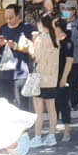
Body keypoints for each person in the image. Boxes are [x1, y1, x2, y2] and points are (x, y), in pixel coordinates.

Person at [27, 14, 66, 146]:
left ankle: (37, 137)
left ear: (41, 24)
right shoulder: (56, 39)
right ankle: (51, 136)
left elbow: (36, 57)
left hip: (40, 78)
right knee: (52, 109)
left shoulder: (40, 38)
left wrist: (30, 45)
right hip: (52, 79)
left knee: (38, 110)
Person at [0, 6, 28, 104]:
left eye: (11, 17)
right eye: (6, 18)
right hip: (5, 72)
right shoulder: (3, 28)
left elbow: (31, 49)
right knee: (5, 102)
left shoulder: (26, 28)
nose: (8, 20)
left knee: (22, 103)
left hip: (20, 72)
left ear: (18, 16)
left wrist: (14, 45)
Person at [60, 8, 78, 120]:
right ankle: (63, 102)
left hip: (75, 57)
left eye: (68, 10)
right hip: (63, 57)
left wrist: (71, 42)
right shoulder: (62, 23)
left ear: (73, 11)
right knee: (63, 80)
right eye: (64, 10)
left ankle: (74, 103)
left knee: (74, 81)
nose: (65, 12)